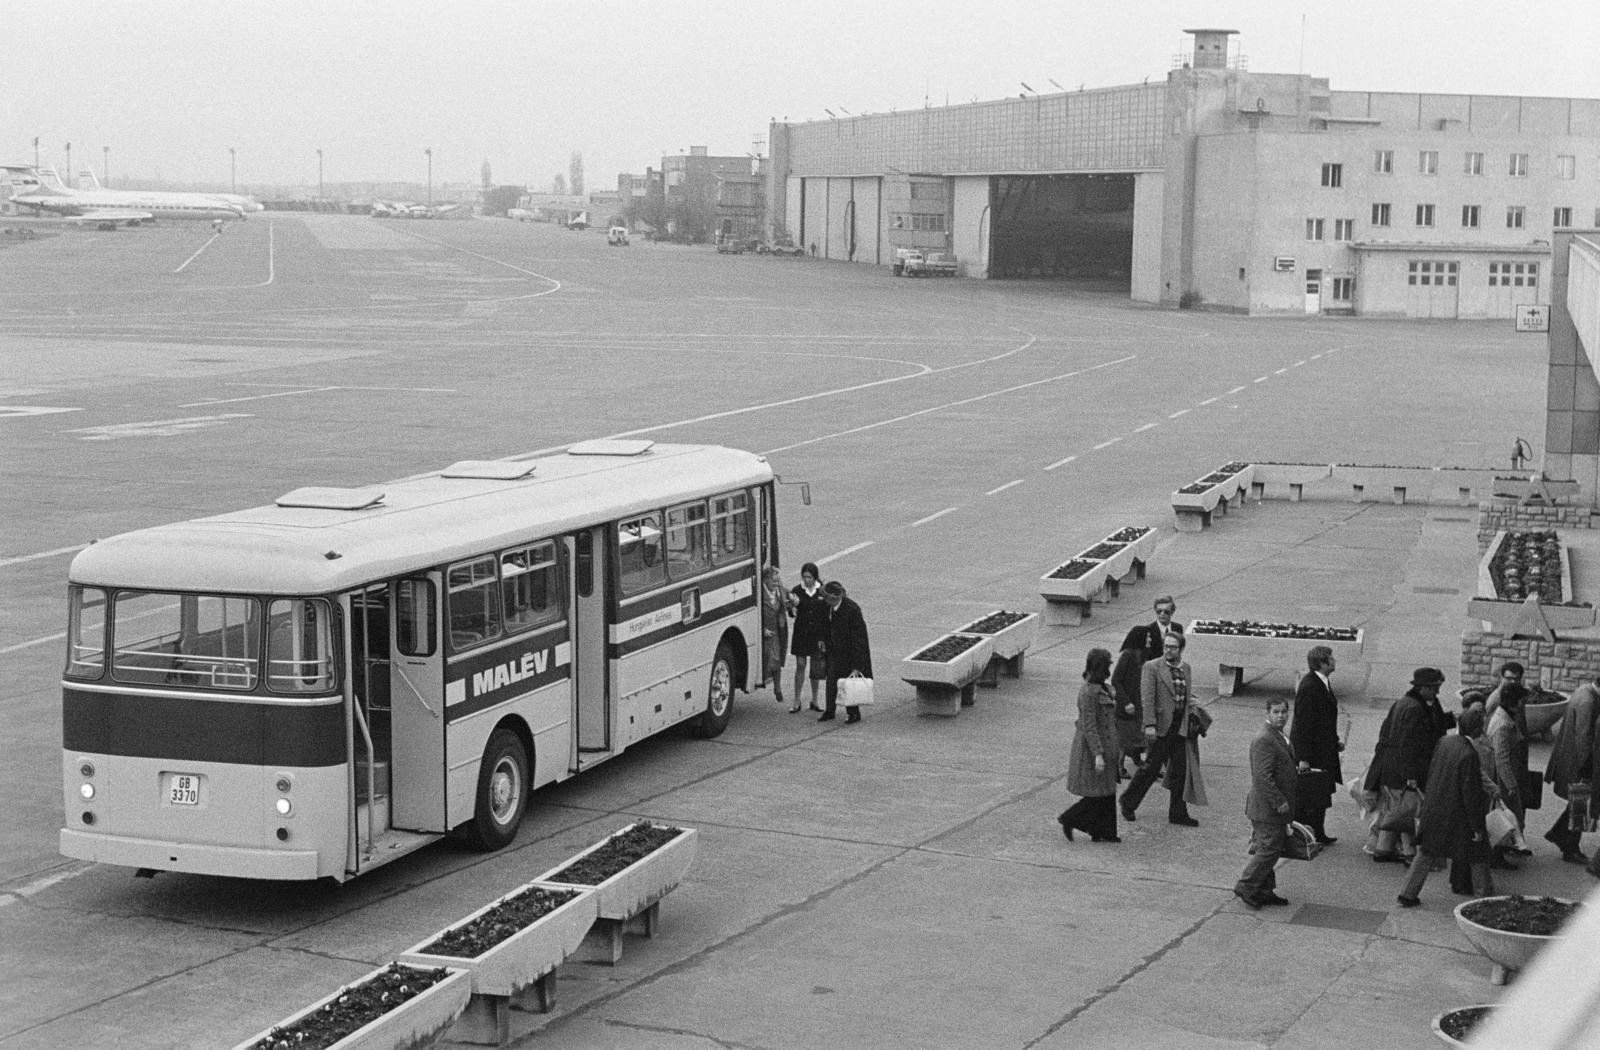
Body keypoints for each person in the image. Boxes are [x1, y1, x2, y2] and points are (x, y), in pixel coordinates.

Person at [1397, 706, 1493, 907]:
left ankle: (1407, 893)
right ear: (1478, 730)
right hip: (1457, 816)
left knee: (1426, 852)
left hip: (1434, 809)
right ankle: (1484, 901)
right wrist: (1477, 827)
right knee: (1478, 854)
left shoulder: (1444, 742)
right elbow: (1471, 794)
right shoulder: (1469, 754)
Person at [1364, 668, 1454, 863]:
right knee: (1409, 810)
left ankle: (1382, 849)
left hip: (1393, 767)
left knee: (1395, 808)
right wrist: (1411, 776)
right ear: (1424, 688)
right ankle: (1409, 854)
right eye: (1435, 687)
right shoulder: (1415, 708)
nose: (1438, 692)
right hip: (1406, 769)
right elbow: (1409, 744)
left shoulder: (1405, 703)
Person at [1120, 632, 1199, 826]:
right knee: (1150, 769)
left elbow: (1186, 696)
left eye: (1173, 647)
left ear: (1181, 649)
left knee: (1180, 771)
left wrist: (1193, 710)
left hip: (1179, 726)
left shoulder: (1186, 668)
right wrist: (1149, 725)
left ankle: (1178, 813)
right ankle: (1128, 803)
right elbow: (1147, 698)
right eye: (1166, 646)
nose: (1168, 650)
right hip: (1160, 727)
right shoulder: (1152, 667)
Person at [1234, 697, 1296, 909]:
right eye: (1276, 712)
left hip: (1271, 807)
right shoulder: (1264, 739)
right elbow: (1262, 776)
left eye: (1284, 712)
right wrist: (1278, 801)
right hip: (1266, 807)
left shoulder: (1278, 735)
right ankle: (1247, 885)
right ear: (1267, 714)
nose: (1281, 716)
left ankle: (1265, 890)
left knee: (1270, 846)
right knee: (1269, 849)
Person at [1111, 597, 1183, 773]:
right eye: (1159, 611)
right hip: (1136, 697)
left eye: (1166, 611)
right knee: (1132, 735)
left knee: (1143, 732)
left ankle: (1145, 761)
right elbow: (1117, 679)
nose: (1162, 614)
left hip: (1151, 691)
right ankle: (1131, 765)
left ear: (1172, 612)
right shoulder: (1134, 651)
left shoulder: (1177, 630)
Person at [1058, 648, 1121, 843]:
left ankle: (1104, 831)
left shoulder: (1101, 687)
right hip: (1095, 748)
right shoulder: (1088, 692)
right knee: (1097, 793)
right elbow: (1089, 726)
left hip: (1108, 745)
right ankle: (1070, 818)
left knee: (1107, 792)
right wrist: (1098, 754)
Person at [1291, 645, 1343, 845]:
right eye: (1331, 658)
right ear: (1322, 663)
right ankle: (1307, 834)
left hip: (1323, 749)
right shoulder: (1310, 686)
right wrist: (1303, 757)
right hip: (1313, 754)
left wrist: (1334, 740)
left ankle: (1318, 831)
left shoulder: (1321, 682)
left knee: (1320, 794)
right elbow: (1303, 724)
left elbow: (1323, 718)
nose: (1334, 661)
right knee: (1311, 796)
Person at [1545, 676, 1600, 862]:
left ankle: (1559, 834)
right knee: (1581, 805)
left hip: (1571, 757)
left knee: (1578, 804)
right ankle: (1571, 849)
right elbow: (1583, 737)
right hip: (1579, 763)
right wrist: (1588, 768)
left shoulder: (1585, 691)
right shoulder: (1589, 701)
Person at [1487, 681, 1530, 868]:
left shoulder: (1504, 717)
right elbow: (1501, 758)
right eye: (1521, 700)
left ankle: (1500, 854)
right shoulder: (1503, 725)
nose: (1523, 704)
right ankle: (1497, 856)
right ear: (1515, 702)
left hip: (1506, 777)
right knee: (1506, 820)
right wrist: (1511, 785)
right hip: (1504, 780)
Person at [818, 580, 871, 724]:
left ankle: (853, 713)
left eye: (827, 598)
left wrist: (857, 665)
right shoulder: (828, 607)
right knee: (831, 681)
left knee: (849, 683)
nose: (826, 601)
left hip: (849, 653)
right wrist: (822, 639)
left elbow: (859, 640)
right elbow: (824, 624)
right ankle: (830, 710)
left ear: (835, 598)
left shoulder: (852, 610)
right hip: (833, 650)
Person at [789, 563, 828, 713]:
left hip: (817, 634)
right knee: (800, 664)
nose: (807, 580)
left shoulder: (821, 590)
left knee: (815, 668)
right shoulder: (797, 591)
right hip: (801, 632)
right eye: (804, 577)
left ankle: (815, 700)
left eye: (810, 577)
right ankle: (797, 700)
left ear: (815, 577)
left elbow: (825, 613)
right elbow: (792, 612)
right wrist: (792, 607)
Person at [761, 566, 794, 711]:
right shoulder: (759, 594)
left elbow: (792, 599)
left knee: (777, 659)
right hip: (767, 630)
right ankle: (772, 685)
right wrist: (761, 630)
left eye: (777, 581)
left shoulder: (780, 590)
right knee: (771, 658)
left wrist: (793, 600)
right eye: (773, 581)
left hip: (778, 630)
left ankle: (777, 688)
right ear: (766, 579)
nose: (776, 584)